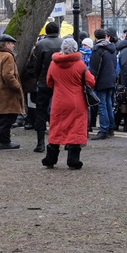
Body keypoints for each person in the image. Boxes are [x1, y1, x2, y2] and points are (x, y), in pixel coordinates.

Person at [42, 38, 95, 169]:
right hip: (76, 101)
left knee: (56, 127)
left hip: (59, 100)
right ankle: (73, 160)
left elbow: (49, 82)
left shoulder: (53, 64)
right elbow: (90, 81)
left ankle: (51, 158)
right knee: (76, 128)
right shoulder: (79, 64)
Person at [32, 22, 64, 152]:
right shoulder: (63, 43)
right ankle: (63, 140)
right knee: (61, 111)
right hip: (61, 83)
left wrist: (39, 77)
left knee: (41, 110)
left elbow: (36, 65)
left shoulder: (41, 45)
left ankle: (41, 143)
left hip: (44, 82)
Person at [0, 34, 24, 150]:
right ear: (6, 44)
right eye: (11, 43)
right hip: (7, 92)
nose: (13, 45)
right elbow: (8, 75)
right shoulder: (7, 56)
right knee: (7, 118)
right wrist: (17, 87)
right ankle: (5, 141)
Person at [89, 29, 117, 140]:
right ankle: (110, 127)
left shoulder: (98, 49)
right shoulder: (112, 48)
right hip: (111, 79)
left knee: (102, 105)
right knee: (109, 104)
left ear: (95, 37)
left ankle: (104, 129)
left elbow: (94, 67)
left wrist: (92, 80)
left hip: (101, 80)